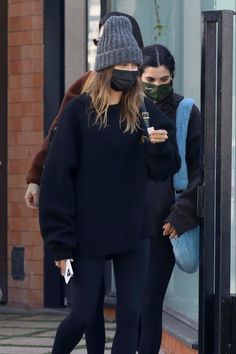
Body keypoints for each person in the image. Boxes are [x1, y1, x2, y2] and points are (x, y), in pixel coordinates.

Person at [39, 16, 180, 354]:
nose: (129, 70)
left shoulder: (143, 110)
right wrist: (59, 243)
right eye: (123, 63)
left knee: (131, 315)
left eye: (134, 63)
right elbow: (57, 179)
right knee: (82, 314)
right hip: (87, 232)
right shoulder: (78, 112)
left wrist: (158, 145)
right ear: (105, 66)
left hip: (133, 229)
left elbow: (164, 169)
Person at [24, 12, 144, 354]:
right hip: (88, 223)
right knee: (84, 311)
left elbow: (165, 157)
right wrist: (35, 176)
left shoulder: (141, 98)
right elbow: (56, 140)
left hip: (130, 216)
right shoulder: (81, 96)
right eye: (100, 41)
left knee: (128, 312)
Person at [138, 44, 201, 353]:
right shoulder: (127, 109)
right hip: (128, 220)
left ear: (172, 77)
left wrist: (181, 214)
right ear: (138, 77)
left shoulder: (186, 112)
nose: (157, 86)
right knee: (131, 302)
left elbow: (200, 171)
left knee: (149, 300)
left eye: (164, 80)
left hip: (165, 223)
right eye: (151, 79)